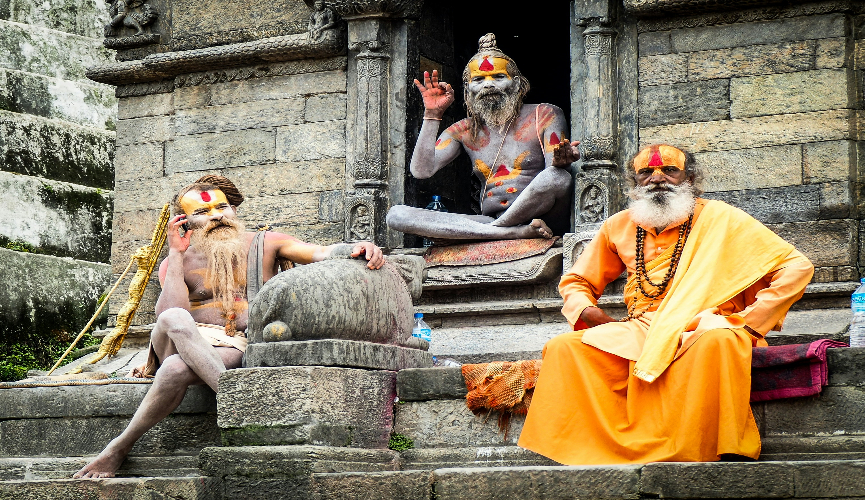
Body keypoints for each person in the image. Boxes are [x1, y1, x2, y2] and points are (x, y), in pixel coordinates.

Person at [518, 144, 814, 465]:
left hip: (702, 325)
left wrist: (749, 321)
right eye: (646, 172)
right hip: (642, 326)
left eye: (670, 171)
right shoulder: (619, 225)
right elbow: (577, 281)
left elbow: (796, 267)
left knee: (718, 341)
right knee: (564, 348)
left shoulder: (720, 218)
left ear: (690, 178)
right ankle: (597, 448)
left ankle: (699, 447)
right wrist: (587, 310)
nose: (657, 179)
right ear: (634, 182)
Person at [74, 175, 384, 478]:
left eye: (222, 207)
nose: (216, 215)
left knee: (174, 370)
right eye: (202, 211)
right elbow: (168, 313)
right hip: (179, 337)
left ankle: (118, 447)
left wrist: (357, 248)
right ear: (185, 221)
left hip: (232, 343)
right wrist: (176, 254)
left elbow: (319, 252)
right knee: (174, 318)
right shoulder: (175, 261)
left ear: (233, 209)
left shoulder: (264, 243)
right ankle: (243, 406)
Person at [386, 32, 580, 241]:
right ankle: (509, 233)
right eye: (478, 79)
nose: (488, 84)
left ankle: (494, 232)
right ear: (468, 88)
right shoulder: (463, 129)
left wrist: (562, 163)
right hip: (487, 221)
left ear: (516, 83)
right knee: (396, 215)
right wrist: (432, 114)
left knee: (557, 177)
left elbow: (555, 177)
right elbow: (421, 171)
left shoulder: (545, 114)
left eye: (498, 77)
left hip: (544, 217)